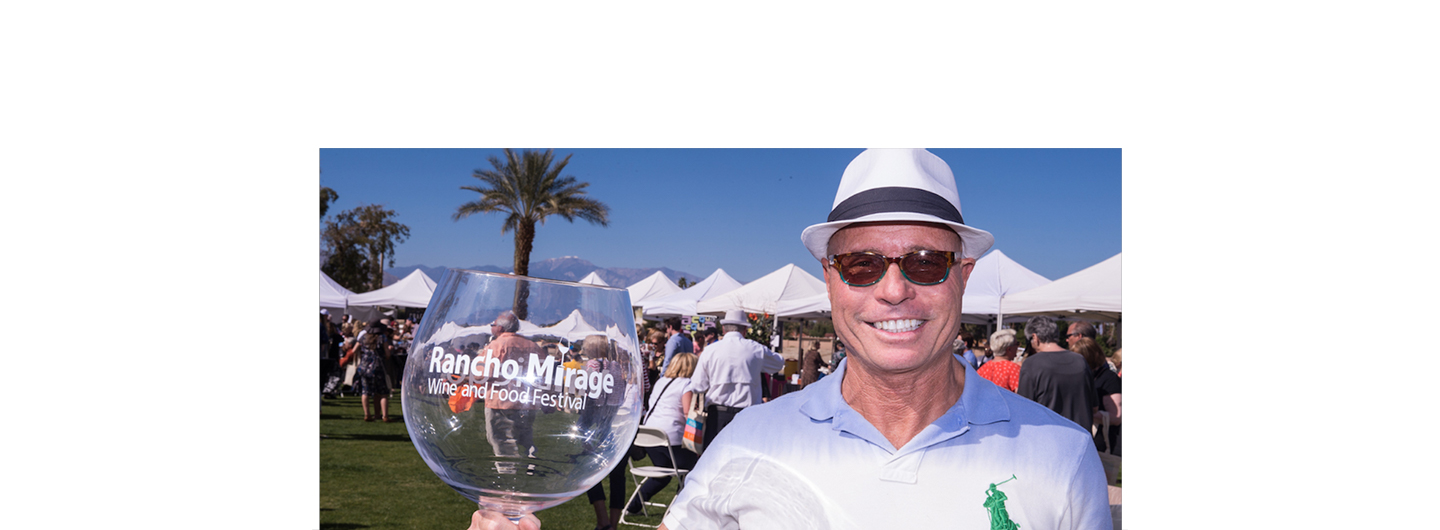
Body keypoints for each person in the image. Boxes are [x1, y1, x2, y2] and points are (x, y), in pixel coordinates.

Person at [467, 148, 1110, 529]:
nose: (893, 290)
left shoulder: (1062, 452)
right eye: (862, 264)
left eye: (924, 262)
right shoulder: (749, 441)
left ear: (962, 277)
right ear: (830, 279)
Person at [684, 309, 784, 446]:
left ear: (724, 330)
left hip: (717, 415)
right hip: (747, 415)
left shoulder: (710, 350)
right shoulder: (755, 349)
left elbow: (697, 385)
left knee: (715, 460)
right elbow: (778, 363)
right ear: (744, 330)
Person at [624, 351, 700, 515]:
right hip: (671, 438)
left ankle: (634, 507)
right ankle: (682, 510)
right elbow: (688, 415)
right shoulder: (687, 385)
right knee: (695, 471)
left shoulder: (660, 382)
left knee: (663, 473)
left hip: (650, 436)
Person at [580, 335, 630, 530]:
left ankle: (603, 520)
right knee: (618, 476)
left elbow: (591, 391)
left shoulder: (593, 365)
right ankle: (613, 524)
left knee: (590, 470)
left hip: (599, 416)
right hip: (617, 418)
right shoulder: (617, 365)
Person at [1016, 316, 1098, 433]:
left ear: (1035, 337)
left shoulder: (1032, 364)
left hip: (1049, 440)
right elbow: (1094, 407)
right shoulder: (1080, 361)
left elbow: (1023, 410)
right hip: (1081, 440)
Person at [483, 311, 543, 471]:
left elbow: (482, 373)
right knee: (525, 436)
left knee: (502, 439)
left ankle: (508, 474)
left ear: (500, 328)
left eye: (493, 325)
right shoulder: (533, 346)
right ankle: (533, 463)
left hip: (501, 402)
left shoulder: (496, 346)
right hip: (526, 402)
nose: (491, 327)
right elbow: (543, 375)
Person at [1073, 337, 1121, 456]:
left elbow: (1116, 417)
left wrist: (1085, 414)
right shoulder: (1084, 377)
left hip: (1103, 442)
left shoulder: (1109, 379)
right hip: (1088, 440)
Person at [353, 322, 392, 422]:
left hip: (364, 367)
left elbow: (354, 350)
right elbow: (387, 353)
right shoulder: (382, 337)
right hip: (378, 367)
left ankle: (367, 414)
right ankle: (384, 416)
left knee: (365, 391)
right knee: (382, 392)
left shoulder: (364, 337)